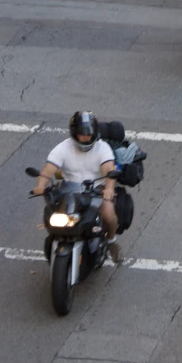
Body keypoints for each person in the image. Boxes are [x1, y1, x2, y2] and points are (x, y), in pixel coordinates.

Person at [32, 111, 123, 264]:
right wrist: (40, 186)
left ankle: (111, 241)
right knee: (53, 213)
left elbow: (109, 169)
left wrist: (108, 189)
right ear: (74, 133)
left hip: (97, 189)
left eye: (89, 134)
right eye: (82, 134)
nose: (85, 137)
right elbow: (48, 170)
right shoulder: (63, 148)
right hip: (69, 190)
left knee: (108, 213)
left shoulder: (103, 148)